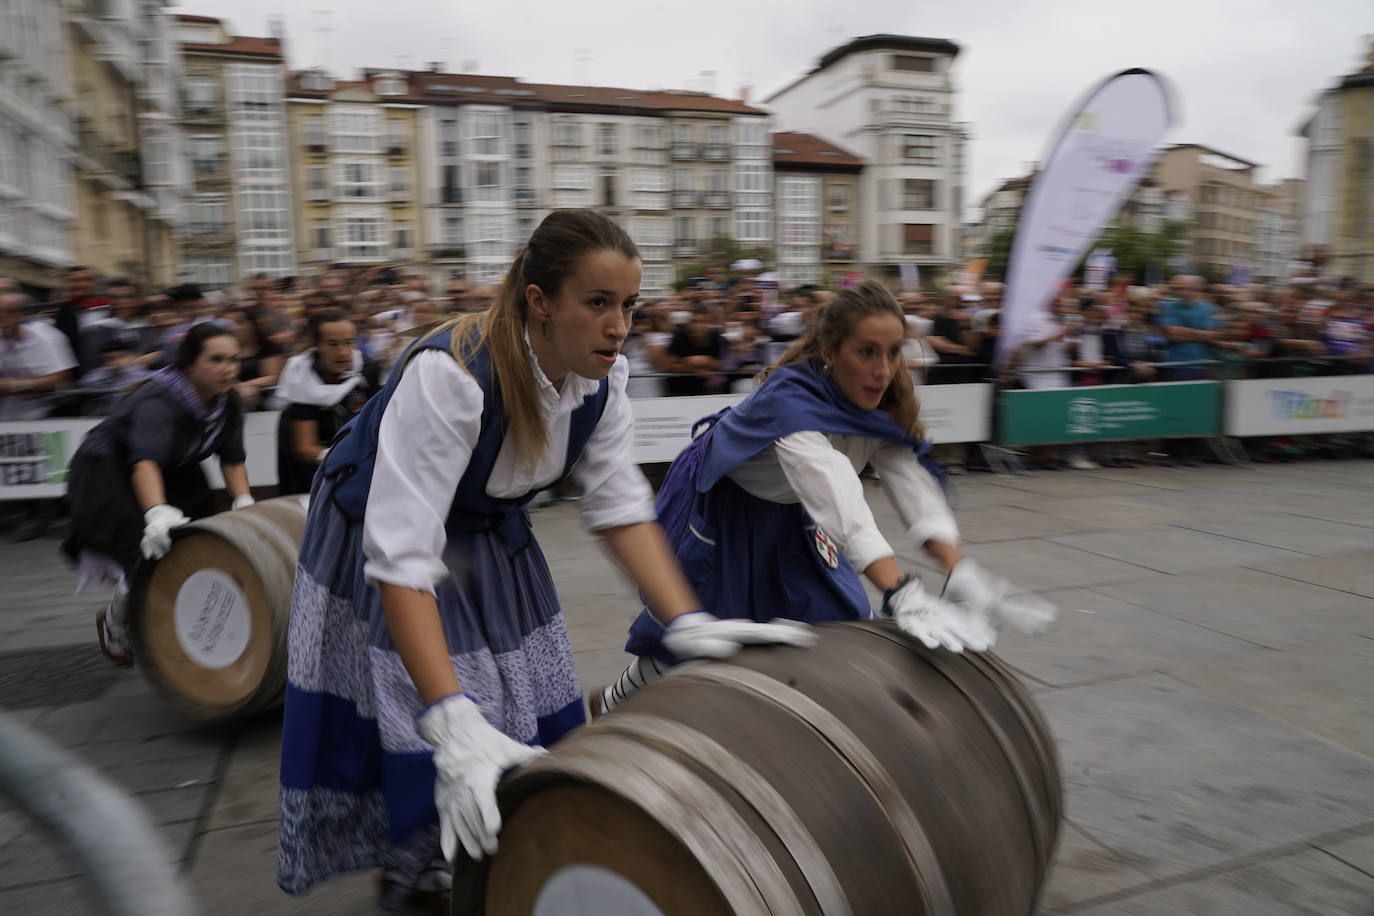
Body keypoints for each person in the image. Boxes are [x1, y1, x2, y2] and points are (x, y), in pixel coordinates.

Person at [276, 209, 810, 911]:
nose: (619, 327)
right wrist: (450, 720)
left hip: (490, 533)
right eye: (598, 303)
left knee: (523, 699)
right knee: (434, 710)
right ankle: (422, 869)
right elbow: (401, 558)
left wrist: (686, 620)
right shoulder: (452, 376)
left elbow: (620, 507)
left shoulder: (602, 384)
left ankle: (504, 849)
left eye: (629, 306)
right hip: (380, 534)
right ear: (541, 302)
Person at [602, 282, 1056, 713]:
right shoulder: (789, 402)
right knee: (703, 631)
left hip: (795, 511)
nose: (883, 369)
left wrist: (961, 570)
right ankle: (615, 701)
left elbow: (911, 484)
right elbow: (835, 490)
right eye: (866, 352)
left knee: (841, 618)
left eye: (893, 352)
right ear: (829, 353)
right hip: (726, 506)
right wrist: (901, 590)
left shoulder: (883, 402)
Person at [62, 323, 254, 665]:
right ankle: (115, 623)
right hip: (108, 469)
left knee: (200, 538)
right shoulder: (159, 401)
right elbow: (145, 464)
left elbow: (233, 459)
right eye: (216, 359)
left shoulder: (229, 403)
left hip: (173, 467)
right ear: (190, 364)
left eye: (234, 360)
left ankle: (195, 625)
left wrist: (244, 503)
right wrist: (156, 513)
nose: (228, 368)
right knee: (146, 549)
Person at [274, 309, 380, 495]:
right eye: (333, 344)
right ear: (316, 344)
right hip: (312, 471)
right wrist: (348, 458)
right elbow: (305, 448)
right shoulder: (301, 378)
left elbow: (375, 420)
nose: (343, 352)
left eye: (349, 342)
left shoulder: (367, 369)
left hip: (356, 462)